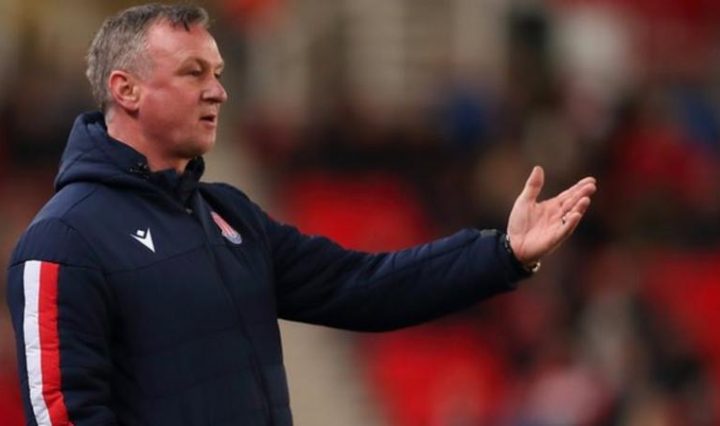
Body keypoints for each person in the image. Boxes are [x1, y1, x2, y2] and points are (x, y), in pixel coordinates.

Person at [5, 3, 596, 426]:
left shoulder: (229, 215)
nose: (218, 91)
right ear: (126, 90)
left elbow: (363, 286)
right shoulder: (63, 242)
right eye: (193, 72)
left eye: (218, 74)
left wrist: (501, 254)